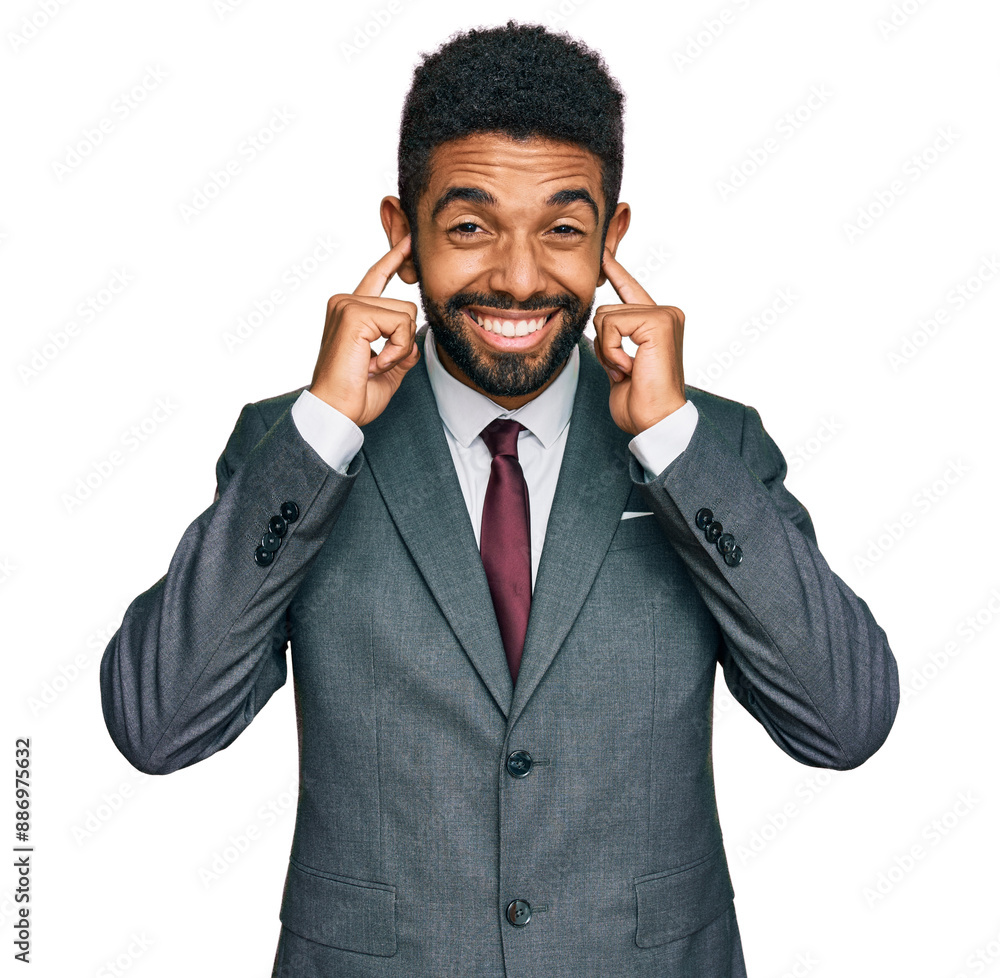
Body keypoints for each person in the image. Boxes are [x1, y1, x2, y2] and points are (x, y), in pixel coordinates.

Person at [100, 21, 899, 977]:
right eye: (471, 226)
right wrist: (322, 430)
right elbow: (158, 725)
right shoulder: (295, 447)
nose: (519, 278)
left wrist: (673, 446)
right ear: (402, 234)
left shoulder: (712, 445)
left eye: (563, 229)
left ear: (612, 237)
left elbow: (845, 723)